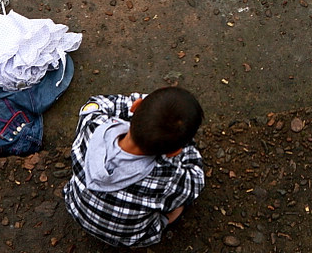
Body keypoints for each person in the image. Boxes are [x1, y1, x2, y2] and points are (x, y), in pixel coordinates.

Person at [63, 87, 205, 248]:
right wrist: (186, 147)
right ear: (174, 152)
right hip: (127, 238)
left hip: (75, 209)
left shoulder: (92, 125)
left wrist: (145, 105)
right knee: (176, 207)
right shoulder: (168, 176)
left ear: (135, 106)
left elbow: (96, 103)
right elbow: (196, 179)